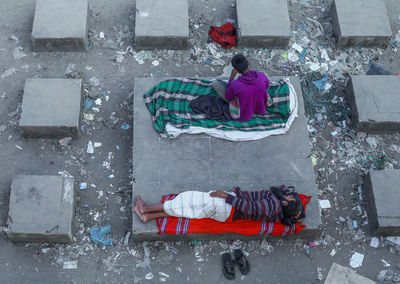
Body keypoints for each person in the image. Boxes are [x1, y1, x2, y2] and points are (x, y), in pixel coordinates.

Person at [134, 186, 304, 225]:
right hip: (227, 209)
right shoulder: (276, 204)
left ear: (284, 202)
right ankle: (148, 215)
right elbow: (282, 190)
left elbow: (248, 208)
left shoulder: (271, 206)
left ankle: (146, 209)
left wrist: (225, 196)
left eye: (291, 198)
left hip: (228, 207)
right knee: (188, 210)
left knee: (187, 201)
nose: (290, 195)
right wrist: (295, 210)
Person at [212, 54, 271, 122]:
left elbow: (228, 97)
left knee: (215, 83)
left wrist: (231, 78)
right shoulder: (261, 75)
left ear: (236, 70)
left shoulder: (235, 84)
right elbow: (267, 85)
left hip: (245, 110)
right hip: (259, 106)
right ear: (248, 62)